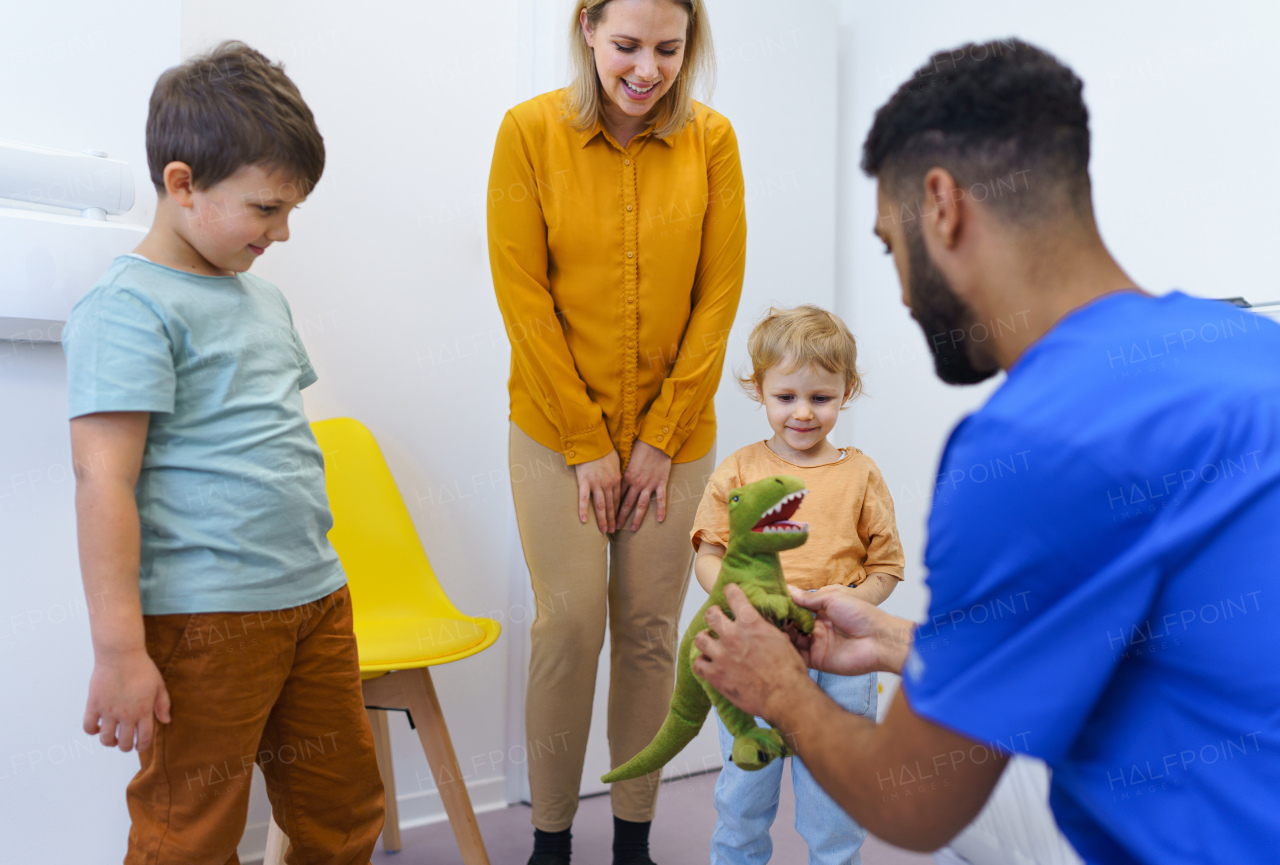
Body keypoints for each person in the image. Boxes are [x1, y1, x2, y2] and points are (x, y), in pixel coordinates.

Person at [691, 38, 1280, 864]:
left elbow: (917, 803)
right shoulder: (1252, 343)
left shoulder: (1030, 441)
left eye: (891, 248)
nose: (900, 289)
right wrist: (898, 643)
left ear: (941, 205)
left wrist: (781, 689)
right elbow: (1144, 639)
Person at [63, 42, 384, 863]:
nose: (280, 232)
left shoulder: (264, 299)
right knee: (190, 830)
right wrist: (120, 649)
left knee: (342, 807)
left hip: (314, 600)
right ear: (182, 185)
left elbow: (270, 446)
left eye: (290, 212)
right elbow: (103, 480)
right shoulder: (127, 308)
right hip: (204, 623)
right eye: (266, 208)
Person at [486, 1, 745, 863]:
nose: (646, 69)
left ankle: (632, 839)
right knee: (568, 625)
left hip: (673, 438)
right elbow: (523, 297)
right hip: (556, 431)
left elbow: (718, 300)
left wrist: (662, 436)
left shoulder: (713, 143)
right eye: (627, 45)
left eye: (668, 50)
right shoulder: (528, 134)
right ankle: (551, 842)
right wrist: (587, 441)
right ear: (588, 27)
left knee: (646, 629)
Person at [689, 305, 904, 865]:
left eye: (821, 398)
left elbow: (886, 568)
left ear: (847, 390)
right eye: (786, 397)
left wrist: (852, 603)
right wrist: (740, 603)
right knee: (743, 796)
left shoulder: (860, 474)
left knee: (836, 803)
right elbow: (709, 554)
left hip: (840, 658)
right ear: (759, 390)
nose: (803, 413)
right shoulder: (738, 470)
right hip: (755, 652)